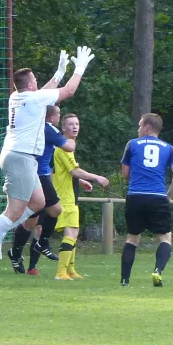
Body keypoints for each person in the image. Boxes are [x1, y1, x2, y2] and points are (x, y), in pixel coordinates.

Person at [0, 46, 95, 277]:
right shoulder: (32, 98)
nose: (37, 83)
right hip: (21, 158)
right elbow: (68, 91)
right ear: (30, 85)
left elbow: (44, 92)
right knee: (15, 211)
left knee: (39, 202)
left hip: (20, 157)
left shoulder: (17, 97)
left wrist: (59, 72)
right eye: (35, 81)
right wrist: (79, 67)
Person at [7, 105, 75, 275]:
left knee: (31, 222)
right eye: (59, 114)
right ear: (52, 117)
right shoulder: (48, 129)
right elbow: (69, 147)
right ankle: (42, 243)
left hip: (35, 175)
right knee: (56, 210)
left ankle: (15, 253)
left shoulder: (37, 127)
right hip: (37, 176)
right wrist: (71, 139)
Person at [120, 113, 173, 287]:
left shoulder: (132, 144)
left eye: (140, 126)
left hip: (135, 196)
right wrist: (168, 195)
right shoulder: (169, 148)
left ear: (147, 126)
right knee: (164, 239)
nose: (138, 129)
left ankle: (125, 280)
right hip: (158, 197)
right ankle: (158, 271)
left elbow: (125, 174)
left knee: (132, 238)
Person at [53, 113, 109, 280]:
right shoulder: (64, 146)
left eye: (77, 124)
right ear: (63, 128)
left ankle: (70, 270)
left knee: (74, 232)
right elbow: (73, 170)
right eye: (71, 124)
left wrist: (82, 181)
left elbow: (68, 172)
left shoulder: (69, 146)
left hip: (71, 194)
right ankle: (60, 272)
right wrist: (96, 177)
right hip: (64, 195)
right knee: (70, 232)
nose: (75, 127)